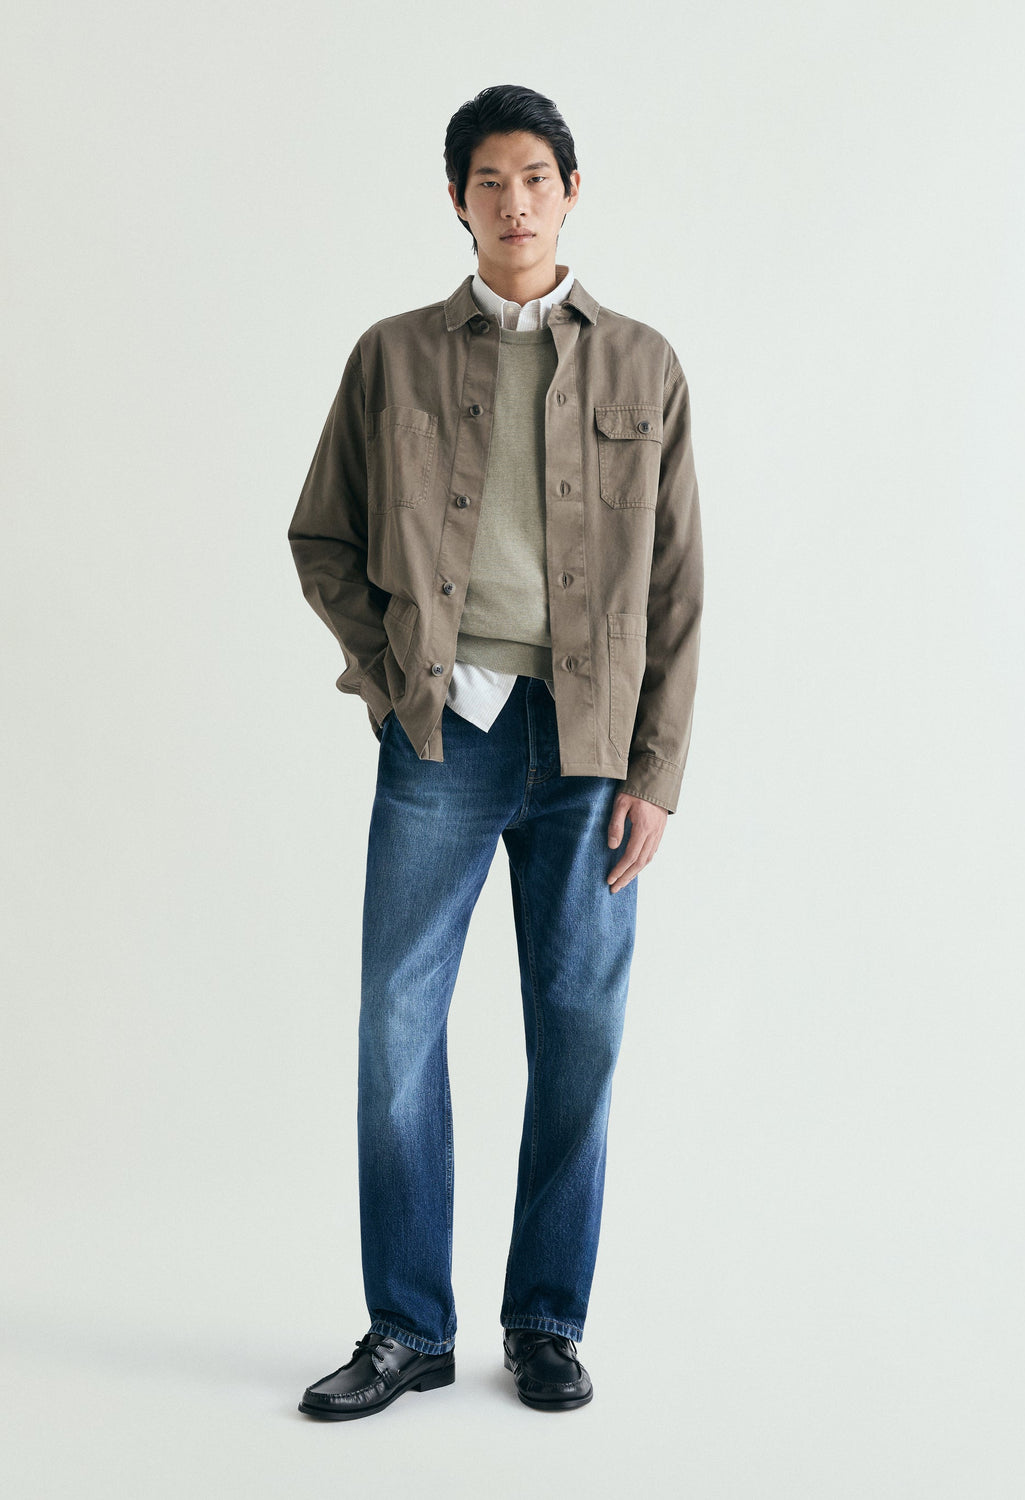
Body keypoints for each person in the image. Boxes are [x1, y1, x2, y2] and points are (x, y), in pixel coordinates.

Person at [288, 82, 703, 1419]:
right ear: (457, 202)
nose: (513, 202)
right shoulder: (393, 356)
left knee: (577, 1034)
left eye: (534, 178)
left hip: (591, 750)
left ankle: (546, 1325)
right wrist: (389, 677)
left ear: (569, 192)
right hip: (442, 736)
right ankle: (407, 1328)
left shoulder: (642, 364)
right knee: (397, 1029)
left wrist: (656, 773)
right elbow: (322, 537)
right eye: (487, 181)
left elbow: (678, 589)